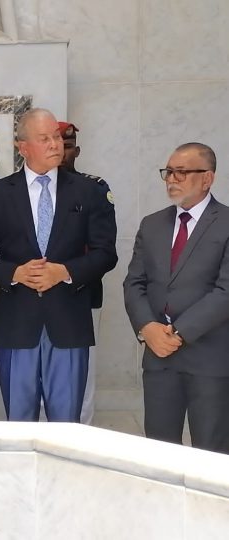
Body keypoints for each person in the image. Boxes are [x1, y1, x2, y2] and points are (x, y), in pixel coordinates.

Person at [0, 108, 117, 422]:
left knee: (66, 428)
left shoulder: (88, 191)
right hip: (16, 325)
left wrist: (65, 272)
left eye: (57, 137)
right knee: (19, 425)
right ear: (23, 147)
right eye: (44, 138)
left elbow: (106, 253)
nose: (55, 144)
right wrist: (14, 273)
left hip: (68, 324)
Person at [124, 142, 229, 454]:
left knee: (211, 454)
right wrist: (148, 328)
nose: (171, 179)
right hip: (159, 358)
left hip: (209, 358)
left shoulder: (225, 222)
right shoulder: (152, 224)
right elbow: (134, 283)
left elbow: (225, 291)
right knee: (159, 452)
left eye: (181, 172)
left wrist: (179, 334)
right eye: (168, 172)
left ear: (207, 178)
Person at [59, 121, 113, 425]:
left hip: (82, 294)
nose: (62, 151)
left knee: (82, 374)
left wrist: (66, 273)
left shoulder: (94, 188)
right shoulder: (20, 191)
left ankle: (81, 436)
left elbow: (102, 250)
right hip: (34, 298)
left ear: (76, 150)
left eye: (68, 145)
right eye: (56, 143)